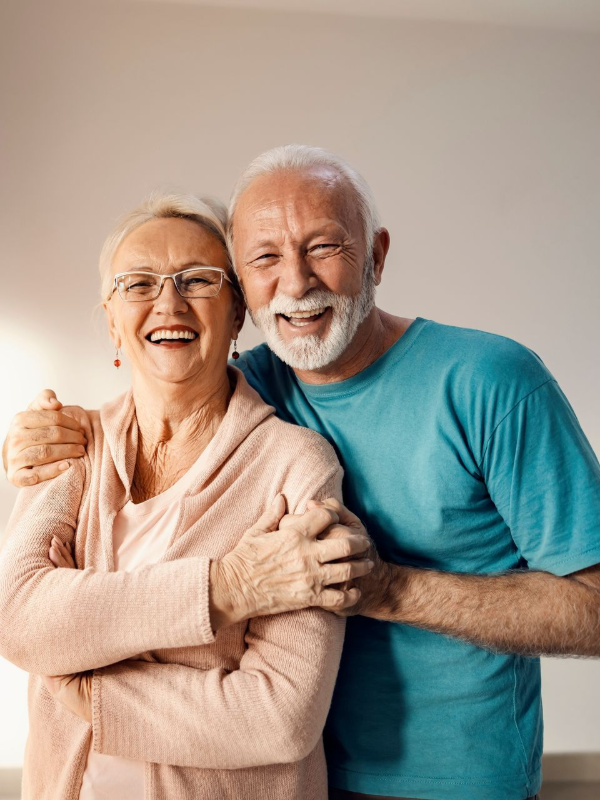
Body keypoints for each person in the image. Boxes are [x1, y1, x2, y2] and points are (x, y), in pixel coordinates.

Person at [4, 145, 600, 800]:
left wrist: (386, 589)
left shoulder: (490, 381)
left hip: (456, 781)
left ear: (375, 255)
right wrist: (46, 437)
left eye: (323, 247)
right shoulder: (255, 382)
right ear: (244, 291)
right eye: (264, 258)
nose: (295, 282)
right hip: (306, 780)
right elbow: (171, 377)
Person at [0, 190, 375, 800]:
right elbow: (18, 622)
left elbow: (278, 718)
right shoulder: (69, 442)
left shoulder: (296, 465)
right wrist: (228, 587)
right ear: (111, 319)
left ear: (235, 316)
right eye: (138, 283)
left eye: (197, 280)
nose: (168, 302)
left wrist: (90, 693)